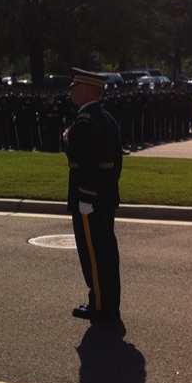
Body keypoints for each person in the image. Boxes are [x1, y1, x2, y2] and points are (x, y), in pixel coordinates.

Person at [65, 68, 123, 320]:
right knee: (106, 250)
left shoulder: (86, 121)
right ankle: (107, 300)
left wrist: (86, 197)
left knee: (94, 253)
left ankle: (100, 304)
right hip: (105, 194)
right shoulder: (104, 117)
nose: (71, 91)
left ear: (87, 91)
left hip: (90, 198)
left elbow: (87, 162)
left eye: (75, 87)